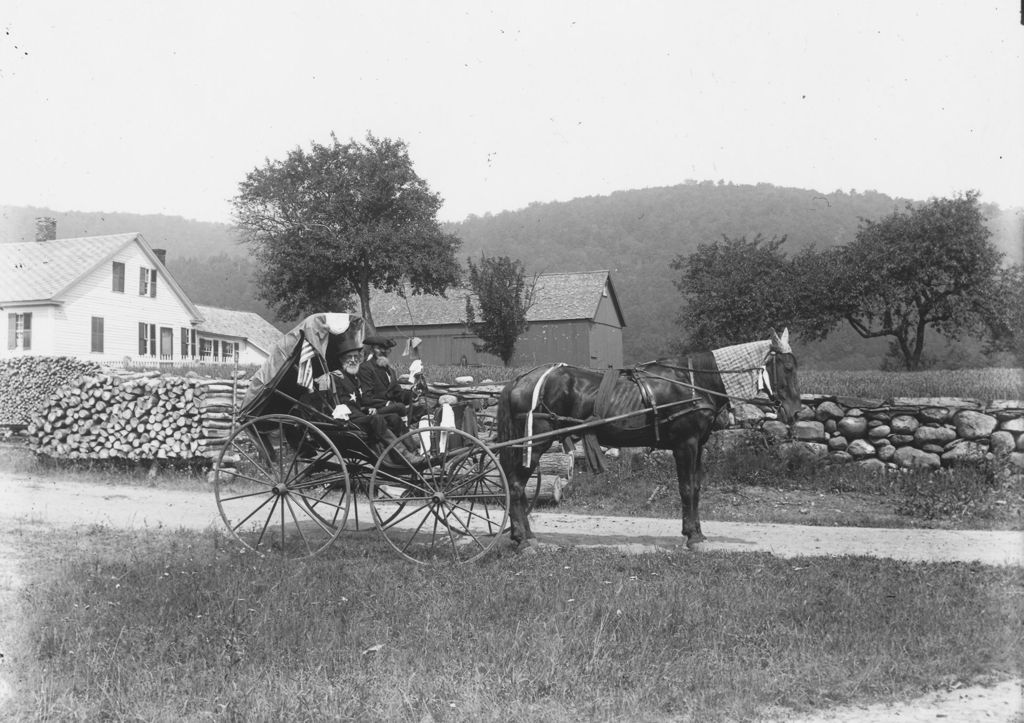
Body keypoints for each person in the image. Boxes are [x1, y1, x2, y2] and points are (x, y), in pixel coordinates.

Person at [328, 339, 424, 466]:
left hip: (359, 415)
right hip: (346, 419)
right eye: (348, 357)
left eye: (356, 357)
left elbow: (361, 401)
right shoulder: (337, 377)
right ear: (341, 360)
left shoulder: (354, 376)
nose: (353, 360)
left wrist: (367, 409)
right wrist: (365, 411)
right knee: (376, 419)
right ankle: (403, 455)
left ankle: (413, 451)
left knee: (394, 418)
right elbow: (340, 404)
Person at [358, 335, 415, 416]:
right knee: (400, 407)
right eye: (379, 349)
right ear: (372, 350)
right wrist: (387, 403)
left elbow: (398, 393)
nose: (383, 352)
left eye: (386, 349)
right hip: (376, 409)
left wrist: (414, 393)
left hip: (392, 408)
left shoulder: (390, 371)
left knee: (421, 408)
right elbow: (367, 398)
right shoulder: (365, 368)